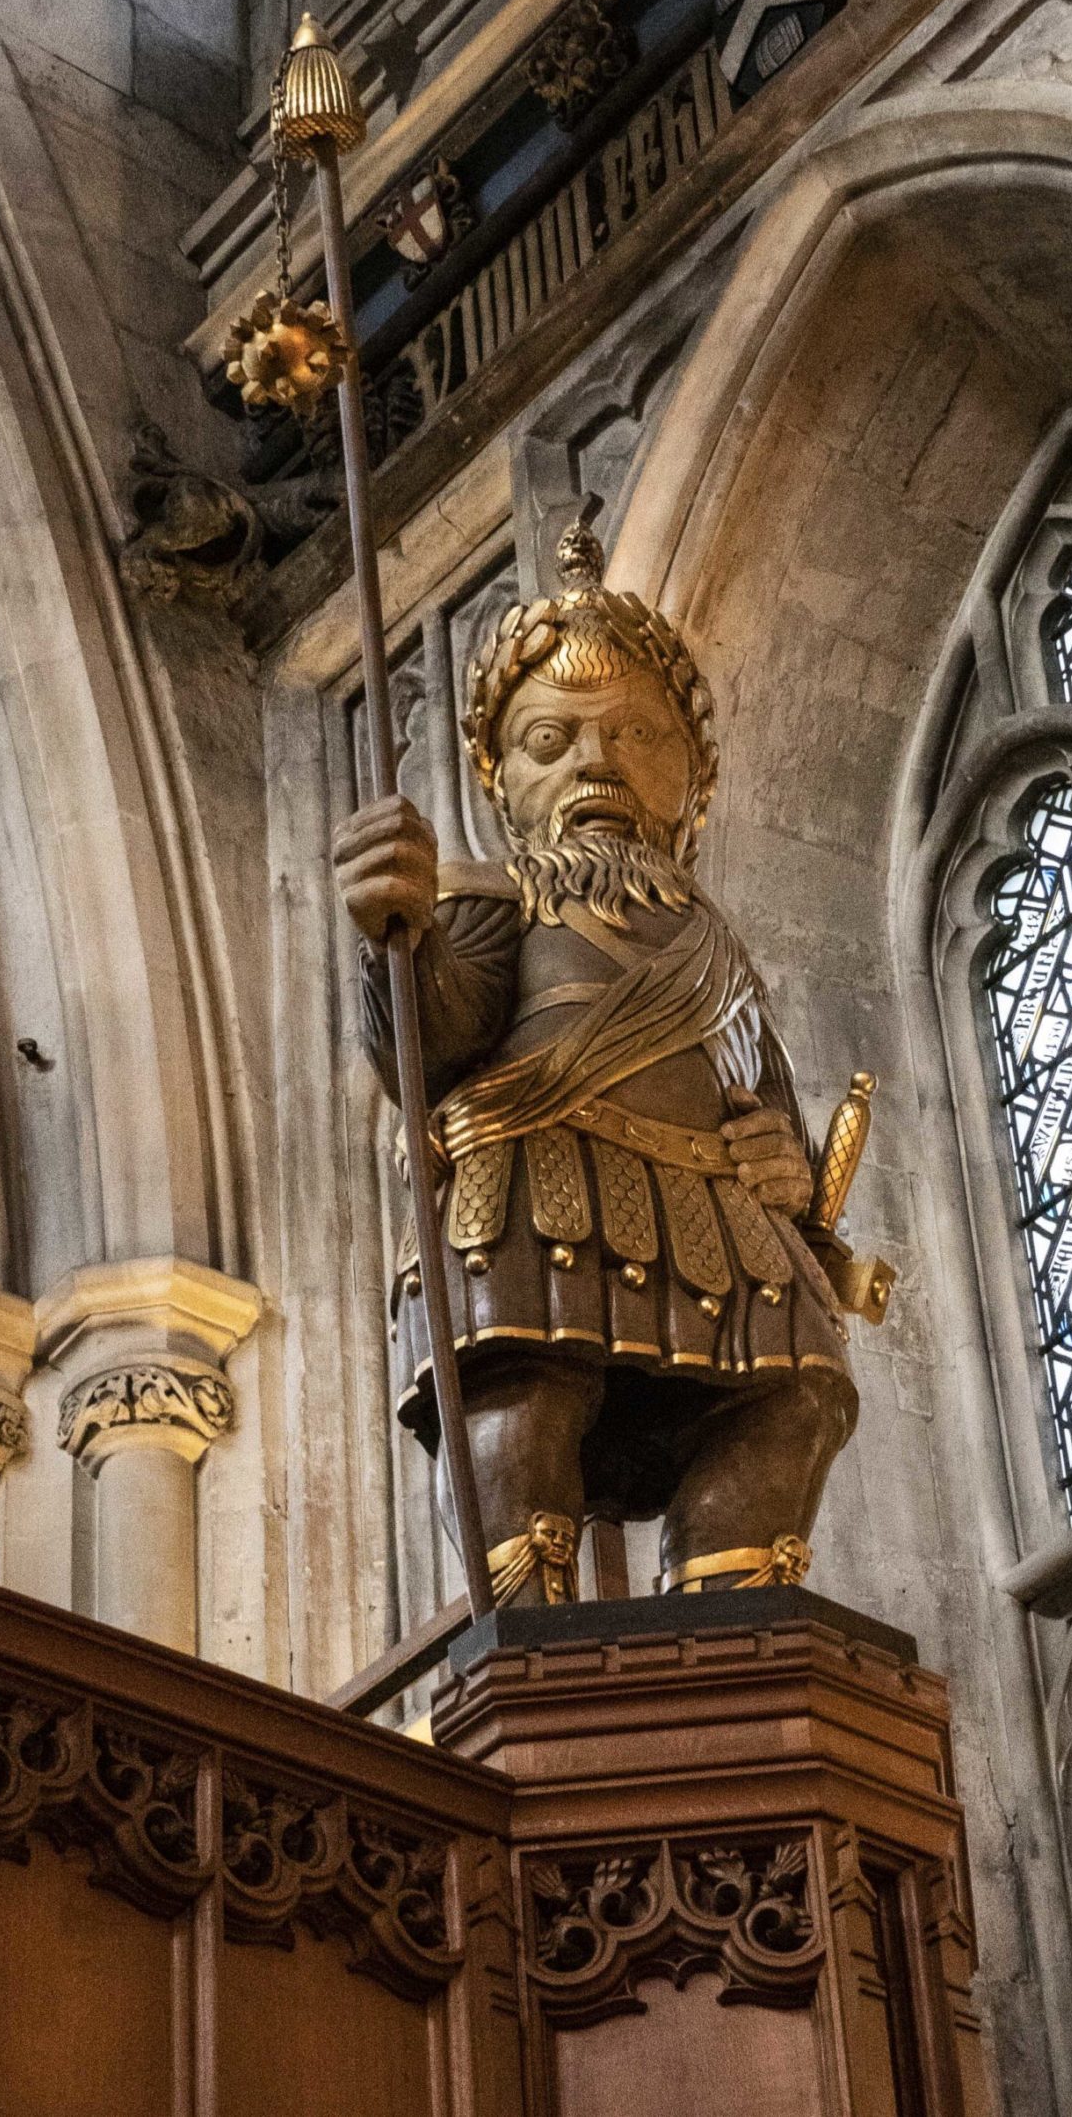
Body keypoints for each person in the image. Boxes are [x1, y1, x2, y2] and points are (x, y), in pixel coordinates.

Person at [332, 522, 857, 1604]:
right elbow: (430, 1043)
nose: (596, 762)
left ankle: (736, 1635)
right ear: (501, 782)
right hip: (538, 1184)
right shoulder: (496, 899)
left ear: (690, 780)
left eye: (635, 736)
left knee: (791, 1397)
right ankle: (526, 1631)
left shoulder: (715, 944)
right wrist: (392, 928)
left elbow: (763, 1090)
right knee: (529, 1396)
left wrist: (795, 1176)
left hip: (718, 1208)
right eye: (551, 742)